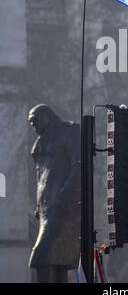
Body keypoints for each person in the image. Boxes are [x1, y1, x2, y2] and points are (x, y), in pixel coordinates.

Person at [28, 104, 80, 283]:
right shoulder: (39, 144)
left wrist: (66, 195)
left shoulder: (68, 132)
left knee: (42, 256)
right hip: (46, 210)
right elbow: (41, 177)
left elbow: (78, 167)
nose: (33, 124)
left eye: (36, 119)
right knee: (55, 259)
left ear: (48, 116)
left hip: (63, 207)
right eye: (31, 122)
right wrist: (38, 206)